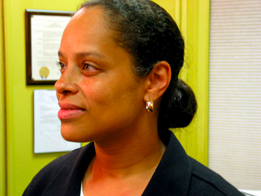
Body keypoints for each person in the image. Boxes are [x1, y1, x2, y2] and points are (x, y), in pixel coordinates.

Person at [23, 0, 244, 195]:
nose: (61, 85)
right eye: (62, 66)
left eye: (88, 66)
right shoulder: (46, 184)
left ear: (155, 81)